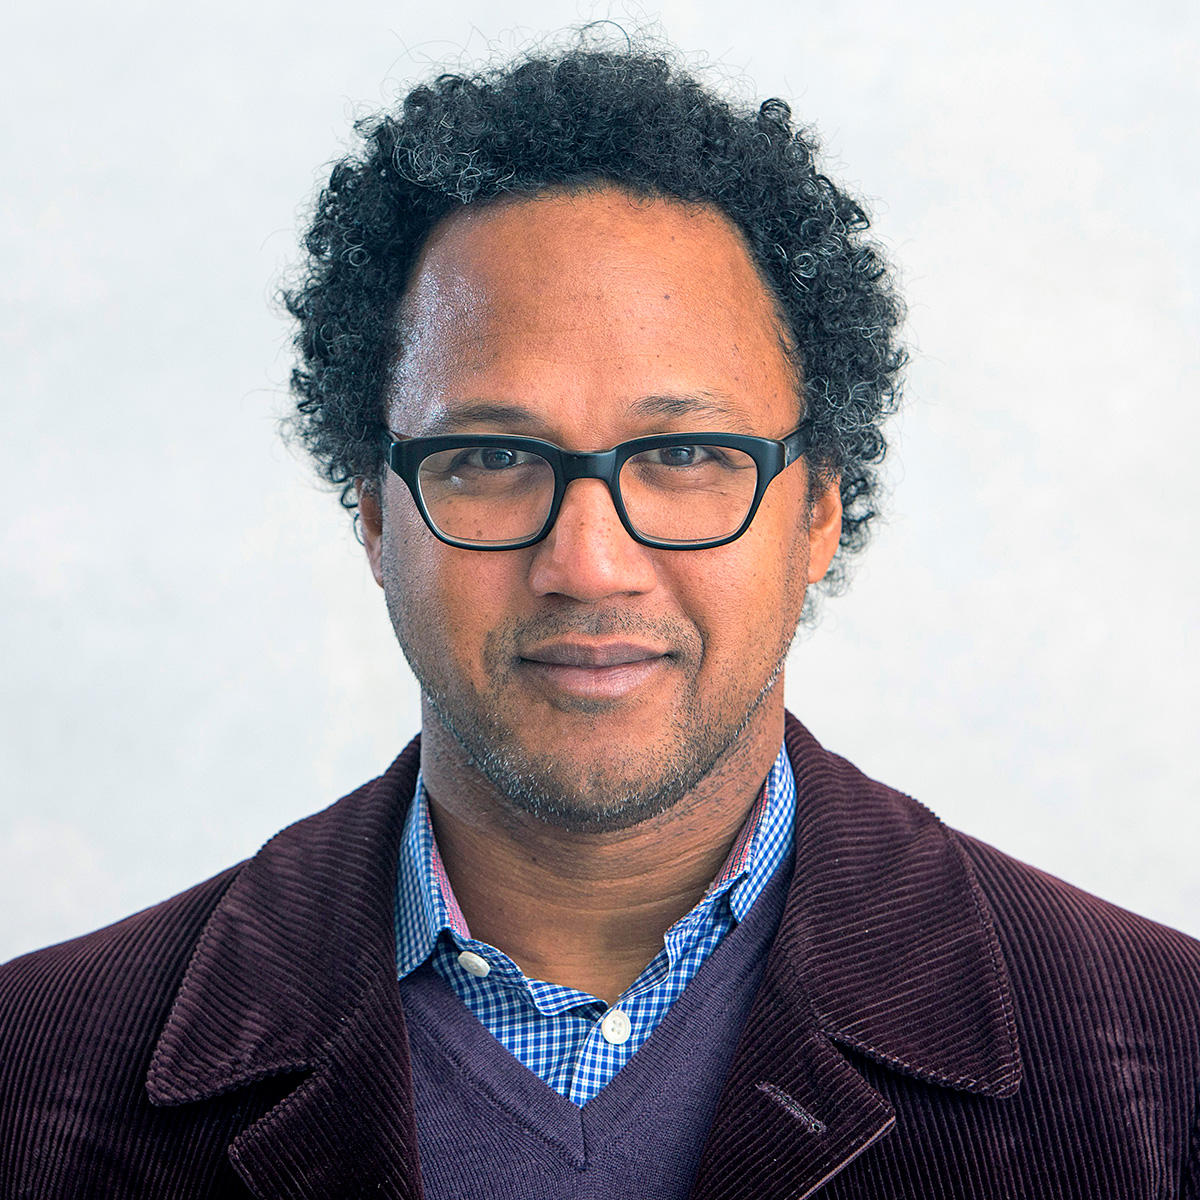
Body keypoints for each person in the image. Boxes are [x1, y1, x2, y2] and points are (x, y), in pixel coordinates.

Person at [2, 38, 1198, 1200]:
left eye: (684, 452)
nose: (588, 562)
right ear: (374, 515)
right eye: (488, 457)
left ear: (821, 509)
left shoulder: (1170, 1064)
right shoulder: (30, 1074)